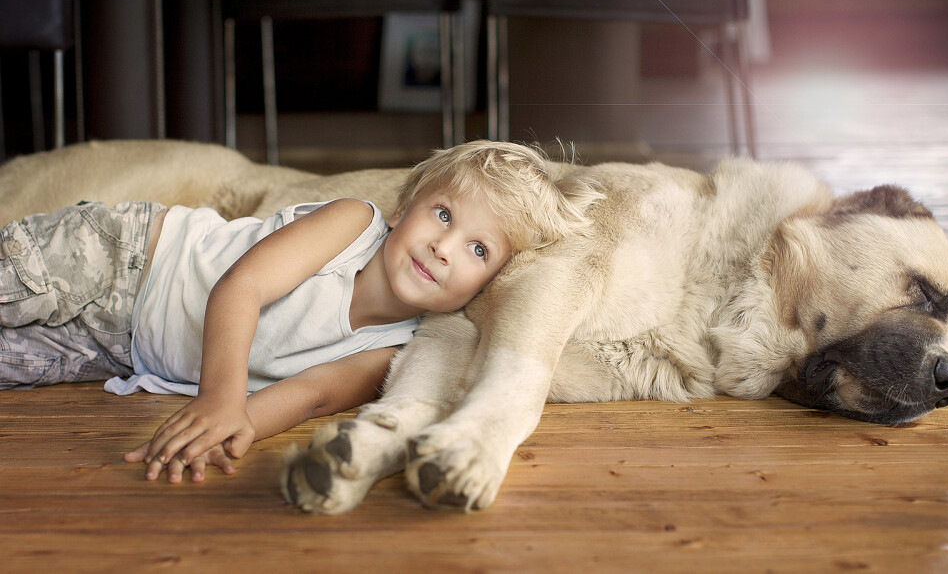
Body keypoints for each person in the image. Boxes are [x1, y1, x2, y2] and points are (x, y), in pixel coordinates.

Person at [0, 140, 599, 483]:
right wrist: (219, 399)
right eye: (443, 214)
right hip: (122, 256)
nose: (445, 246)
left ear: (486, 287)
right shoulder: (352, 223)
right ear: (405, 206)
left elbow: (312, 396)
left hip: (118, 346)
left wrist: (229, 428)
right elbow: (241, 287)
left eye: (477, 249)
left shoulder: (392, 350)